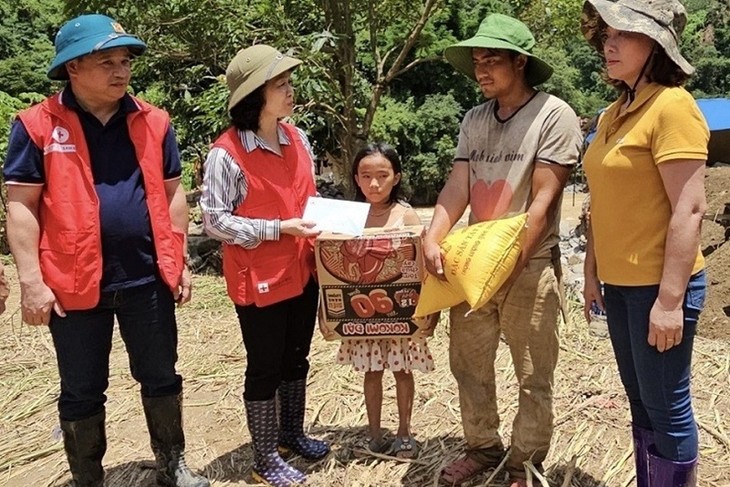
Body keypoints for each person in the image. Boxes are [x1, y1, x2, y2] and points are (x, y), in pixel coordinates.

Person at [2, 14, 209, 487]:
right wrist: (31, 282)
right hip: (71, 281)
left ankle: (172, 463)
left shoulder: (153, 121)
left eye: (125, 61)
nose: (121, 71)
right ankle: (87, 477)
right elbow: (22, 207)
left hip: (146, 277)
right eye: (106, 61)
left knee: (161, 375)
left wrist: (178, 261)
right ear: (72, 68)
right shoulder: (36, 126)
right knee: (81, 388)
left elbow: (174, 193)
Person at [423, 14, 582, 487]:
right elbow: (459, 186)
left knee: (533, 374)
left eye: (492, 61)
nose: (482, 71)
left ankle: (523, 463)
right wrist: (433, 235)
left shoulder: (554, 116)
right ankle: (482, 447)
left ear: (521, 62)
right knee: (468, 364)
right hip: (473, 264)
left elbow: (541, 203)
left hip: (528, 265)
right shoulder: (475, 119)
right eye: (476, 62)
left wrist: (509, 268)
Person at [580, 1, 708, 485]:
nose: (608, 43)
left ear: (655, 44)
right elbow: (601, 201)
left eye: (624, 34)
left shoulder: (672, 106)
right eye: (606, 33)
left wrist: (671, 301)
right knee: (641, 402)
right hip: (621, 287)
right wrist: (593, 271)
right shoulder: (614, 112)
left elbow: (690, 208)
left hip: (660, 286)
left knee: (667, 407)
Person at [200, 44, 329, 487]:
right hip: (259, 278)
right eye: (281, 85)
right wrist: (278, 229)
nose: (290, 91)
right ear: (255, 94)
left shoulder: (298, 139)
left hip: (303, 270)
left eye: (289, 83)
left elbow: (308, 198)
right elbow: (215, 221)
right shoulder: (227, 153)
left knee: (297, 357)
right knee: (264, 366)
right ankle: (265, 458)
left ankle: (292, 433)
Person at [327, 143, 437, 459]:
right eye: (366, 176)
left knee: (403, 371)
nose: (374, 184)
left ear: (396, 177)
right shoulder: (348, 218)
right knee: (371, 372)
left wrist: (429, 311)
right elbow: (330, 266)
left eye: (382, 175)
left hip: (401, 313)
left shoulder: (407, 215)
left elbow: (420, 268)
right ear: (356, 179)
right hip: (362, 316)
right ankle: (374, 434)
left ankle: (404, 432)